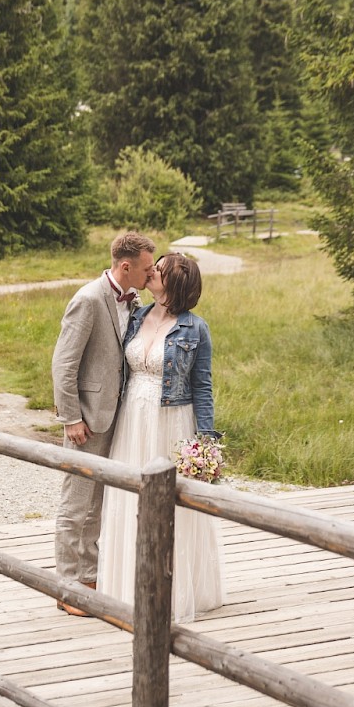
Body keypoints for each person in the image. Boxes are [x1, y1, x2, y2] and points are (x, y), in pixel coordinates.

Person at [97, 252, 225, 624]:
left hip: (172, 421)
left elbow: (202, 386)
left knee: (171, 506)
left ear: (176, 281)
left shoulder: (195, 328)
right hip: (132, 421)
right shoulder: (136, 315)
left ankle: (172, 590)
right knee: (128, 496)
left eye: (161, 268)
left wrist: (204, 442)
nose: (152, 270)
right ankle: (126, 586)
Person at [52, 231, 157, 614]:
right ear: (125, 266)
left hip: (119, 417)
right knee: (76, 503)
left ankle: (90, 577)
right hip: (88, 420)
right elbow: (63, 365)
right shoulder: (88, 299)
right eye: (146, 269)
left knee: (98, 503)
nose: (150, 275)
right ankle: (67, 587)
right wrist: (71, 417)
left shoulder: (136, 299)